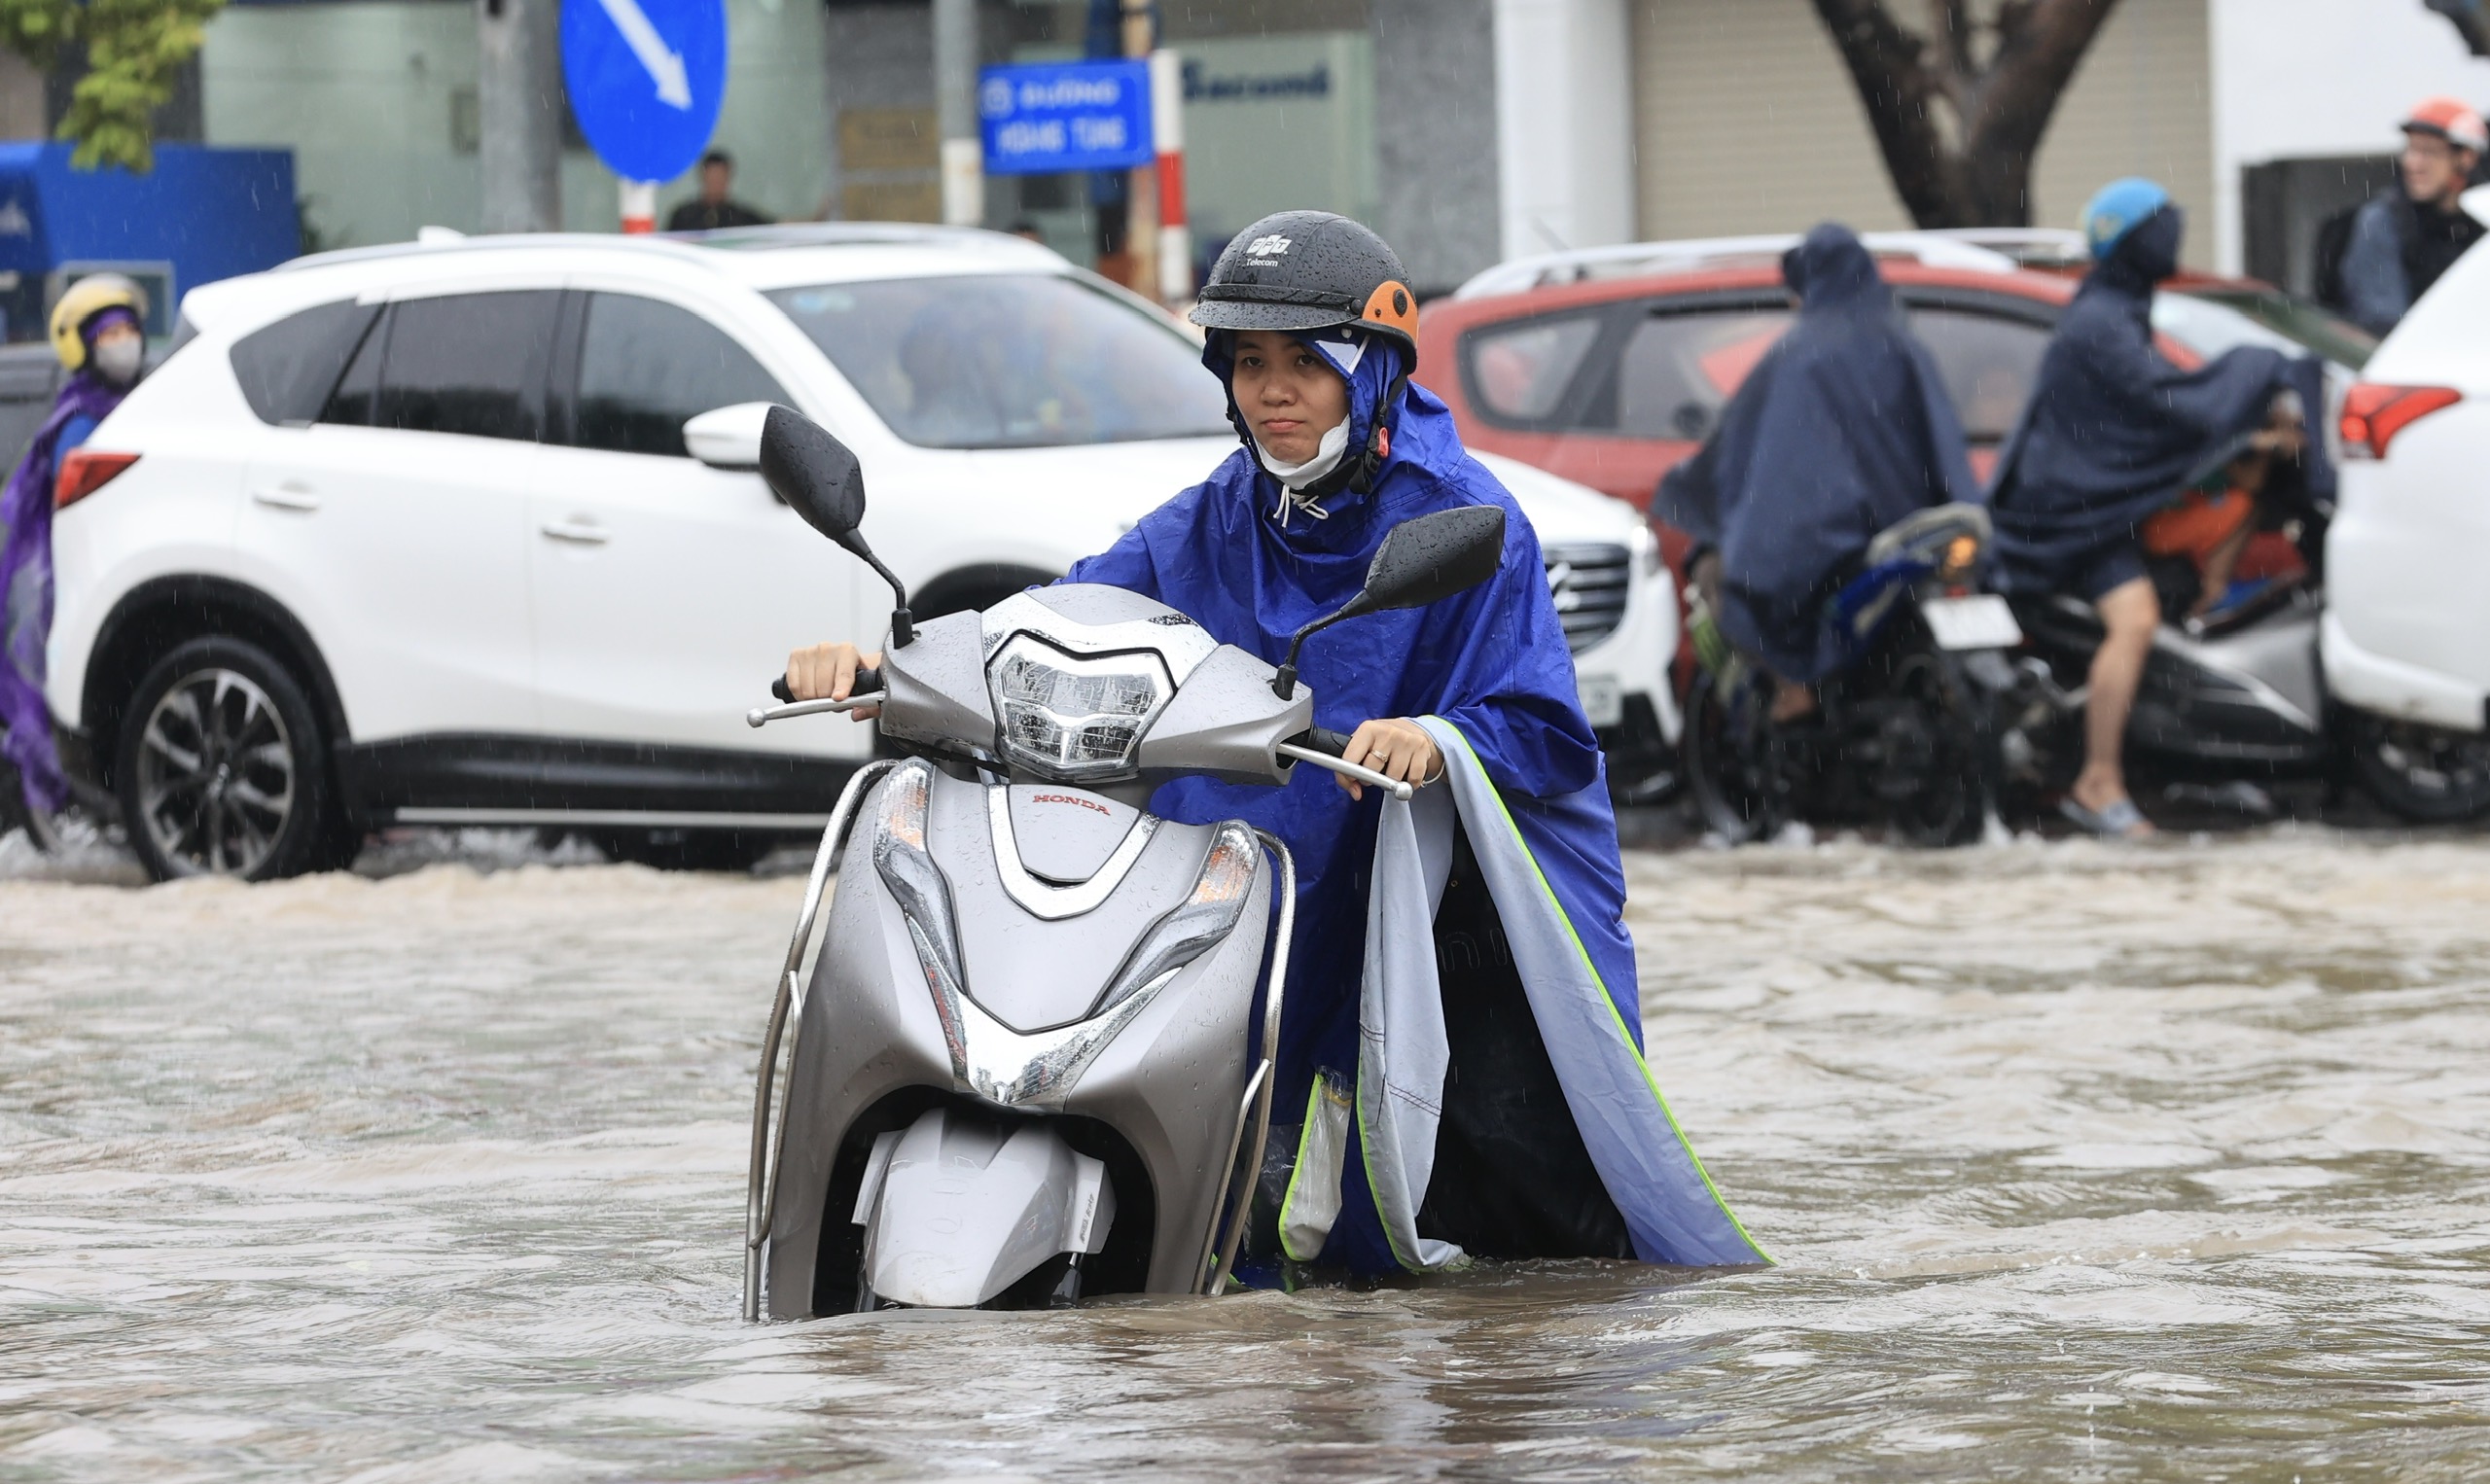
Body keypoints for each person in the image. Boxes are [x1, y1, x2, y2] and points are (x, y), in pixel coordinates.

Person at [784, 209, 1764, 1276]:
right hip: (1233, 883)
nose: (1273, 391)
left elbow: (1542, 730)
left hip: (1410, 902)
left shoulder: (1466, 519)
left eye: (1305, 362)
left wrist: (1435, 739)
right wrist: (890, 666)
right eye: (1249, 363)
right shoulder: (1218, 511)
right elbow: (1060, 619)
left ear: (1372, 370)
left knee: (1469, 1252)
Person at [1987, 179, 2325, 840]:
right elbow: (2165, 402)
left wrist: (2254, 427)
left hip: (2094, 506)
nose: (2175, 239)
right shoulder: (2102, 322)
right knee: (2135, 620)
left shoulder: (2120, 309)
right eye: (2165, 228)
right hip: (2068, 516)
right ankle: (2098, 780)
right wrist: (2256, 369)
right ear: (2137, 240)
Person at [1654, 222, 1977, 721]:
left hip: (1825, 544)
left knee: (1730, 575)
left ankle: (1792, 687)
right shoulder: (1903, 344)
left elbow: (1751, 455)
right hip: (1908, 533)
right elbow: (1941, 444)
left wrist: (1693, 491)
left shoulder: (1799, 353)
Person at [0, 274, 147, 829]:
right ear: (82, 346)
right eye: (109, 333)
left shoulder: (147, 404)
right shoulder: (77, 422)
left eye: (129, 329)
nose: (124, 342)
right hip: (73, 588)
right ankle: (68, 809)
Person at [2336, 98, 2485, 337]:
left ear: (2466, 157)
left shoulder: (2483, 220)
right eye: (2411, 149)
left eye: (2429, 152)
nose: (2412, 163)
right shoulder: (2383, 222)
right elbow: (2384, 322)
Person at [665, 150, 771, 232]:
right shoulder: (683, 217)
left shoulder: (743, 218)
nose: (716, 183)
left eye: (720, 178)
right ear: (703, 177)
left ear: (728, 178)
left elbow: (770, 230)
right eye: (712, 178)